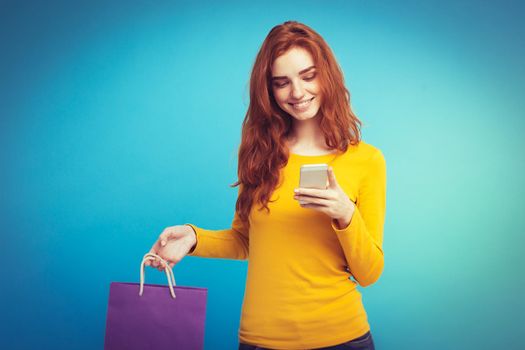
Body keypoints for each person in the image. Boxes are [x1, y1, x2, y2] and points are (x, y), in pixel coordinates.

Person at [146, 21, 386, 350]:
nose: (297, 93)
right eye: (281, 82)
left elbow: (370, 273)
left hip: (342, 339)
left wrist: (346, 215)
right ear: (269, 90)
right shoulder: (261, 156)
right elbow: (246, 241)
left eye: (308, 75)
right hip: (261, 341)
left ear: (326, 75)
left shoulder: (366, 161)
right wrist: (193, 238)